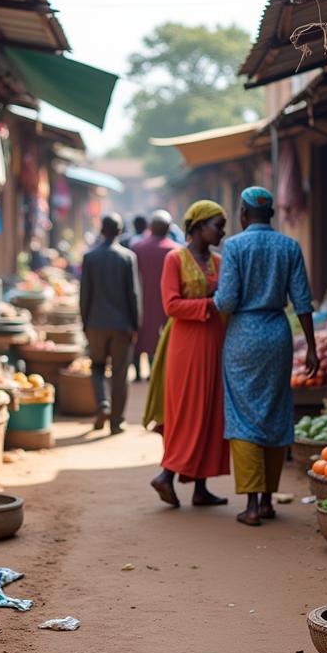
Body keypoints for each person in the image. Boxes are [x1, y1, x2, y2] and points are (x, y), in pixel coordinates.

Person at [214, 186, 318, 526]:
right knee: (275, 410)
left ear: (243, 214)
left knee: (243, 414)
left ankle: (252, 504)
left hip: (244, 335)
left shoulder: (234, 246)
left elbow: (226, 301)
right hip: (277, 334)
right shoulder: (289, 246)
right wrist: (313, 347)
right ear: (271, 214)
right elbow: (302, 301)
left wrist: (213, 301)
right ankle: (269, 500)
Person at [144, 200, 229, 508]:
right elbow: (171, 305)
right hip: (186, 343)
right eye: (217, 226)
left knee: (209, 411)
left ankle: (200, 488)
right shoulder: (174, 259)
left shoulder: (220, 262)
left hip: (215, 341)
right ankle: (166, 475)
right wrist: (209, 304)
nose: (222, 232)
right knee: (188, 412)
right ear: (198, 227)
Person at [79, 213, 142, 433]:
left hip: (96, 323)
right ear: (120, 230)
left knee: (96, 366)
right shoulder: (127, 257)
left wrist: (85, 324)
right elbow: (133, 295)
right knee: (120, 372)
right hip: (122, 326)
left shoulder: (90, 257)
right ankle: (117, 422)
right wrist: (136, 325)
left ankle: (102, 404)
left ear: (102, 230)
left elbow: (84, 295)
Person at [131, 210, 179, 380]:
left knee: (140, 336)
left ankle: (137, 373)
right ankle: (154, 372)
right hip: (166, 302)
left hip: (141, 300)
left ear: (151, 227)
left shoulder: (137, 248)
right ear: (168, 229)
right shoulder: (176, 251)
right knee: (159, 338)